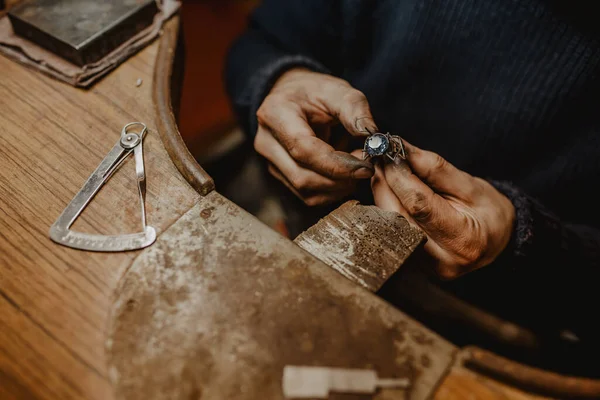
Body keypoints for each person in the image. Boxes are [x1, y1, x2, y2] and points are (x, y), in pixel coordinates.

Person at [224, 0, 600, 361]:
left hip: (494, 317)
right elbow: (259, 42)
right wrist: (280, 79)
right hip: (307, 218)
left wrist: (527, 239)